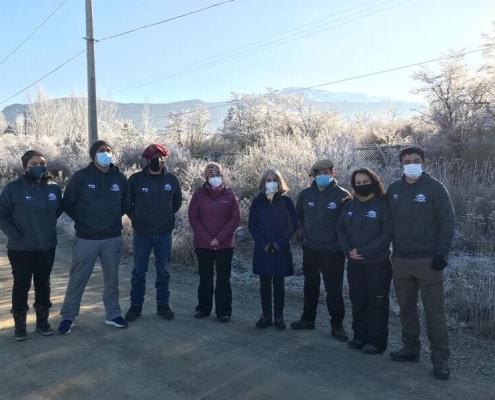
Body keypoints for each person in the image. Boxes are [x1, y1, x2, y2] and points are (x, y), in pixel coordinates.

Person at [387, 146, 455, 380]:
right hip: (401, 259)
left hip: (428, 261)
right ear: (401, 165)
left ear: (424, 163)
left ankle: (440, 359)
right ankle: (410, 348)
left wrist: (442, 253)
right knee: (406, 309)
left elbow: (448, 222)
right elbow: (386, 223)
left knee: (434, 312)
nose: (411, 165)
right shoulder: (394, 190)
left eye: (416, 160)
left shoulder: (436, 188)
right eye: (407, 161)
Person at [57, 140, 131, 334]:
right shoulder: (81, 177)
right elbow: (68, 203)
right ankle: (68, 317)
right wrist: (83, 220)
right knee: (78, 279)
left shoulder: (120, 179)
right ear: (93, 155)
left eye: (108, 150)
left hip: (112, 238)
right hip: (86, 238)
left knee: (112, 279)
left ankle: (113, 314)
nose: (105, 153)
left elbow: (126, 204)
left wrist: (111, 219)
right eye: (101, 150)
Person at [0, 150, 63, 341]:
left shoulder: (54, 188)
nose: (39, 167)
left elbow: (57, 211)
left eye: (42, 163)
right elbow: (2, 215)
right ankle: (20, 326)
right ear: (25, 167)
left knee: (43, 284)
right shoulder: (14, 188)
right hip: (21, 248)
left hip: (46, 246)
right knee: (22, 285)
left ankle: (42, 323)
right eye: (34, 164)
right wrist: (16, 236)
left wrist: (46, 227)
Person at [291, 159, 350, 341]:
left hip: (333, 250)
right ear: (314, 176)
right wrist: (309, 233)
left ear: (332, 173)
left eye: (326, 173)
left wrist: (336, 239)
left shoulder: (343, 195)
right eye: (319, 174)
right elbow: (300, 215)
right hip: (311, 247)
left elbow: (347, 223)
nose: (322, 176)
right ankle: (308, 319)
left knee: (334, 289)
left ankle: (337, 325)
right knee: (310, 285)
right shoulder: (305, 194)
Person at [337, 168, 393, 354]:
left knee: (377, 302)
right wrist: (348, 251)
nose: (362, 185)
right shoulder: (349, 205)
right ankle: (359, 337)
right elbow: (340, 229)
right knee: (358, 299)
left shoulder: (383, 205)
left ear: (373, 182)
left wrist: (364, 251)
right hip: (354, 263)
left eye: (365, 182)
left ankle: (376, 342)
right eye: (358, 183)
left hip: (377, 263)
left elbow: (387, 233)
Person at [125, 144, 183, 322]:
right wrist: (138, 218)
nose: (159, 161)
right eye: (155, 158)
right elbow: (127, 203)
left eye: (161, 158)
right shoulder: (136, 179)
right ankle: (136, 306)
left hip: (164, 233)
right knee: (139, 271)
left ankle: (163, 305)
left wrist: (165, 217)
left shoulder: (172, 180)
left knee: (163, 271)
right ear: (147, 160)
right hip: (142, 234)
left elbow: (177, 203)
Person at [188, 162, 240, 323]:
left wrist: (219, 238)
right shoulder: (198, 195)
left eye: (217, 175)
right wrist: (208, 239)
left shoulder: (230, 195)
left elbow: (235, 219)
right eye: (211, 176)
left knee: (223, 279)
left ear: (222, 176)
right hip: (203, 245)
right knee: (205, 277)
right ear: (206, 177)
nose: (215, 178)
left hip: (225, 245)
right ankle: (203, 308)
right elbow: (194, 219)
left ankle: (224, 311)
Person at [248, 168, 297, 330]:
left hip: (280, 249)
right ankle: (266, 315)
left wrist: (278, 243)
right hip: (263, 249)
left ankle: (279, 317)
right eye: (268, 180)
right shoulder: (257, 201)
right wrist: (264, 244)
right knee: (264, 284)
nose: (271, 183)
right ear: (263, 182)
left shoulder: (286, 201)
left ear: (279, 182)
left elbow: (292, 225)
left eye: (274, 180)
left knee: (279, 284)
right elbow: (252, 225)